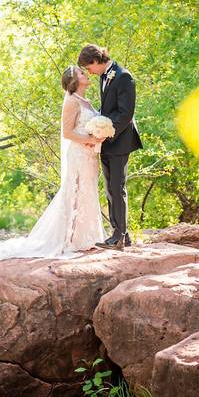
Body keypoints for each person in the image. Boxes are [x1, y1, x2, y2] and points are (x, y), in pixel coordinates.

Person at [0, 65, 105, 261]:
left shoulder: (87, 101)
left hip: (90, 155)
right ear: (74, 81)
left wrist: (97, 135)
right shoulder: (72, 102)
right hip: (79, 155)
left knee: (88, 191)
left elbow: (85, 128)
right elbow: (68, 133)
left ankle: (87, 238)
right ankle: (69, 240)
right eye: (82, 73)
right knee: (75, 192)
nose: (86, 74)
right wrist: (91, 140)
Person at [77, 44, 143, 250]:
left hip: (119, 140)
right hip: (107, 141)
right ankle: (122, 233)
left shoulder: (123, 77)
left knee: (117, 187)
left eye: (89, 68)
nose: (89, 72)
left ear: (96, 61)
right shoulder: (107, 76)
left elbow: (126, 114)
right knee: (110, 188)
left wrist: (105, 131)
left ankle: (119, 237)